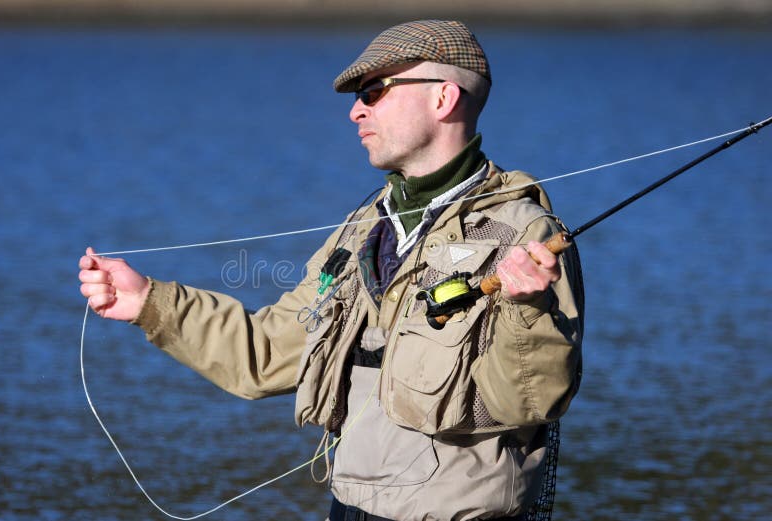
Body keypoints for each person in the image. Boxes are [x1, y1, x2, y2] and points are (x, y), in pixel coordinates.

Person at [79, 20, 584, 521]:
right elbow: (270, 352)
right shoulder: (363, 229)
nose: (355, 110)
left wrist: (527, 311)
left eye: (375, 91)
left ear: (443, 99)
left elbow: (529, 401)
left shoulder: (523, 235)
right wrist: (148, 302)